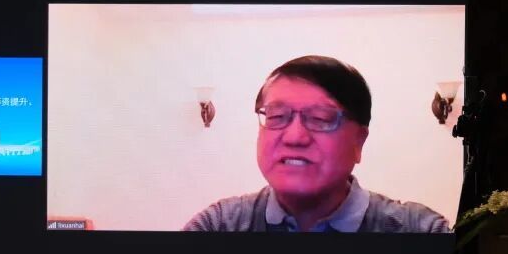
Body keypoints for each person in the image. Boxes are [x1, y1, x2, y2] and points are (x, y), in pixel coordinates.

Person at [183, 55, 451, 233]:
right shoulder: (219, 225)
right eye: (276, 116)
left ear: (359, 141)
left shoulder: (420, 231)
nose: (294, 137)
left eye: (321, 118)